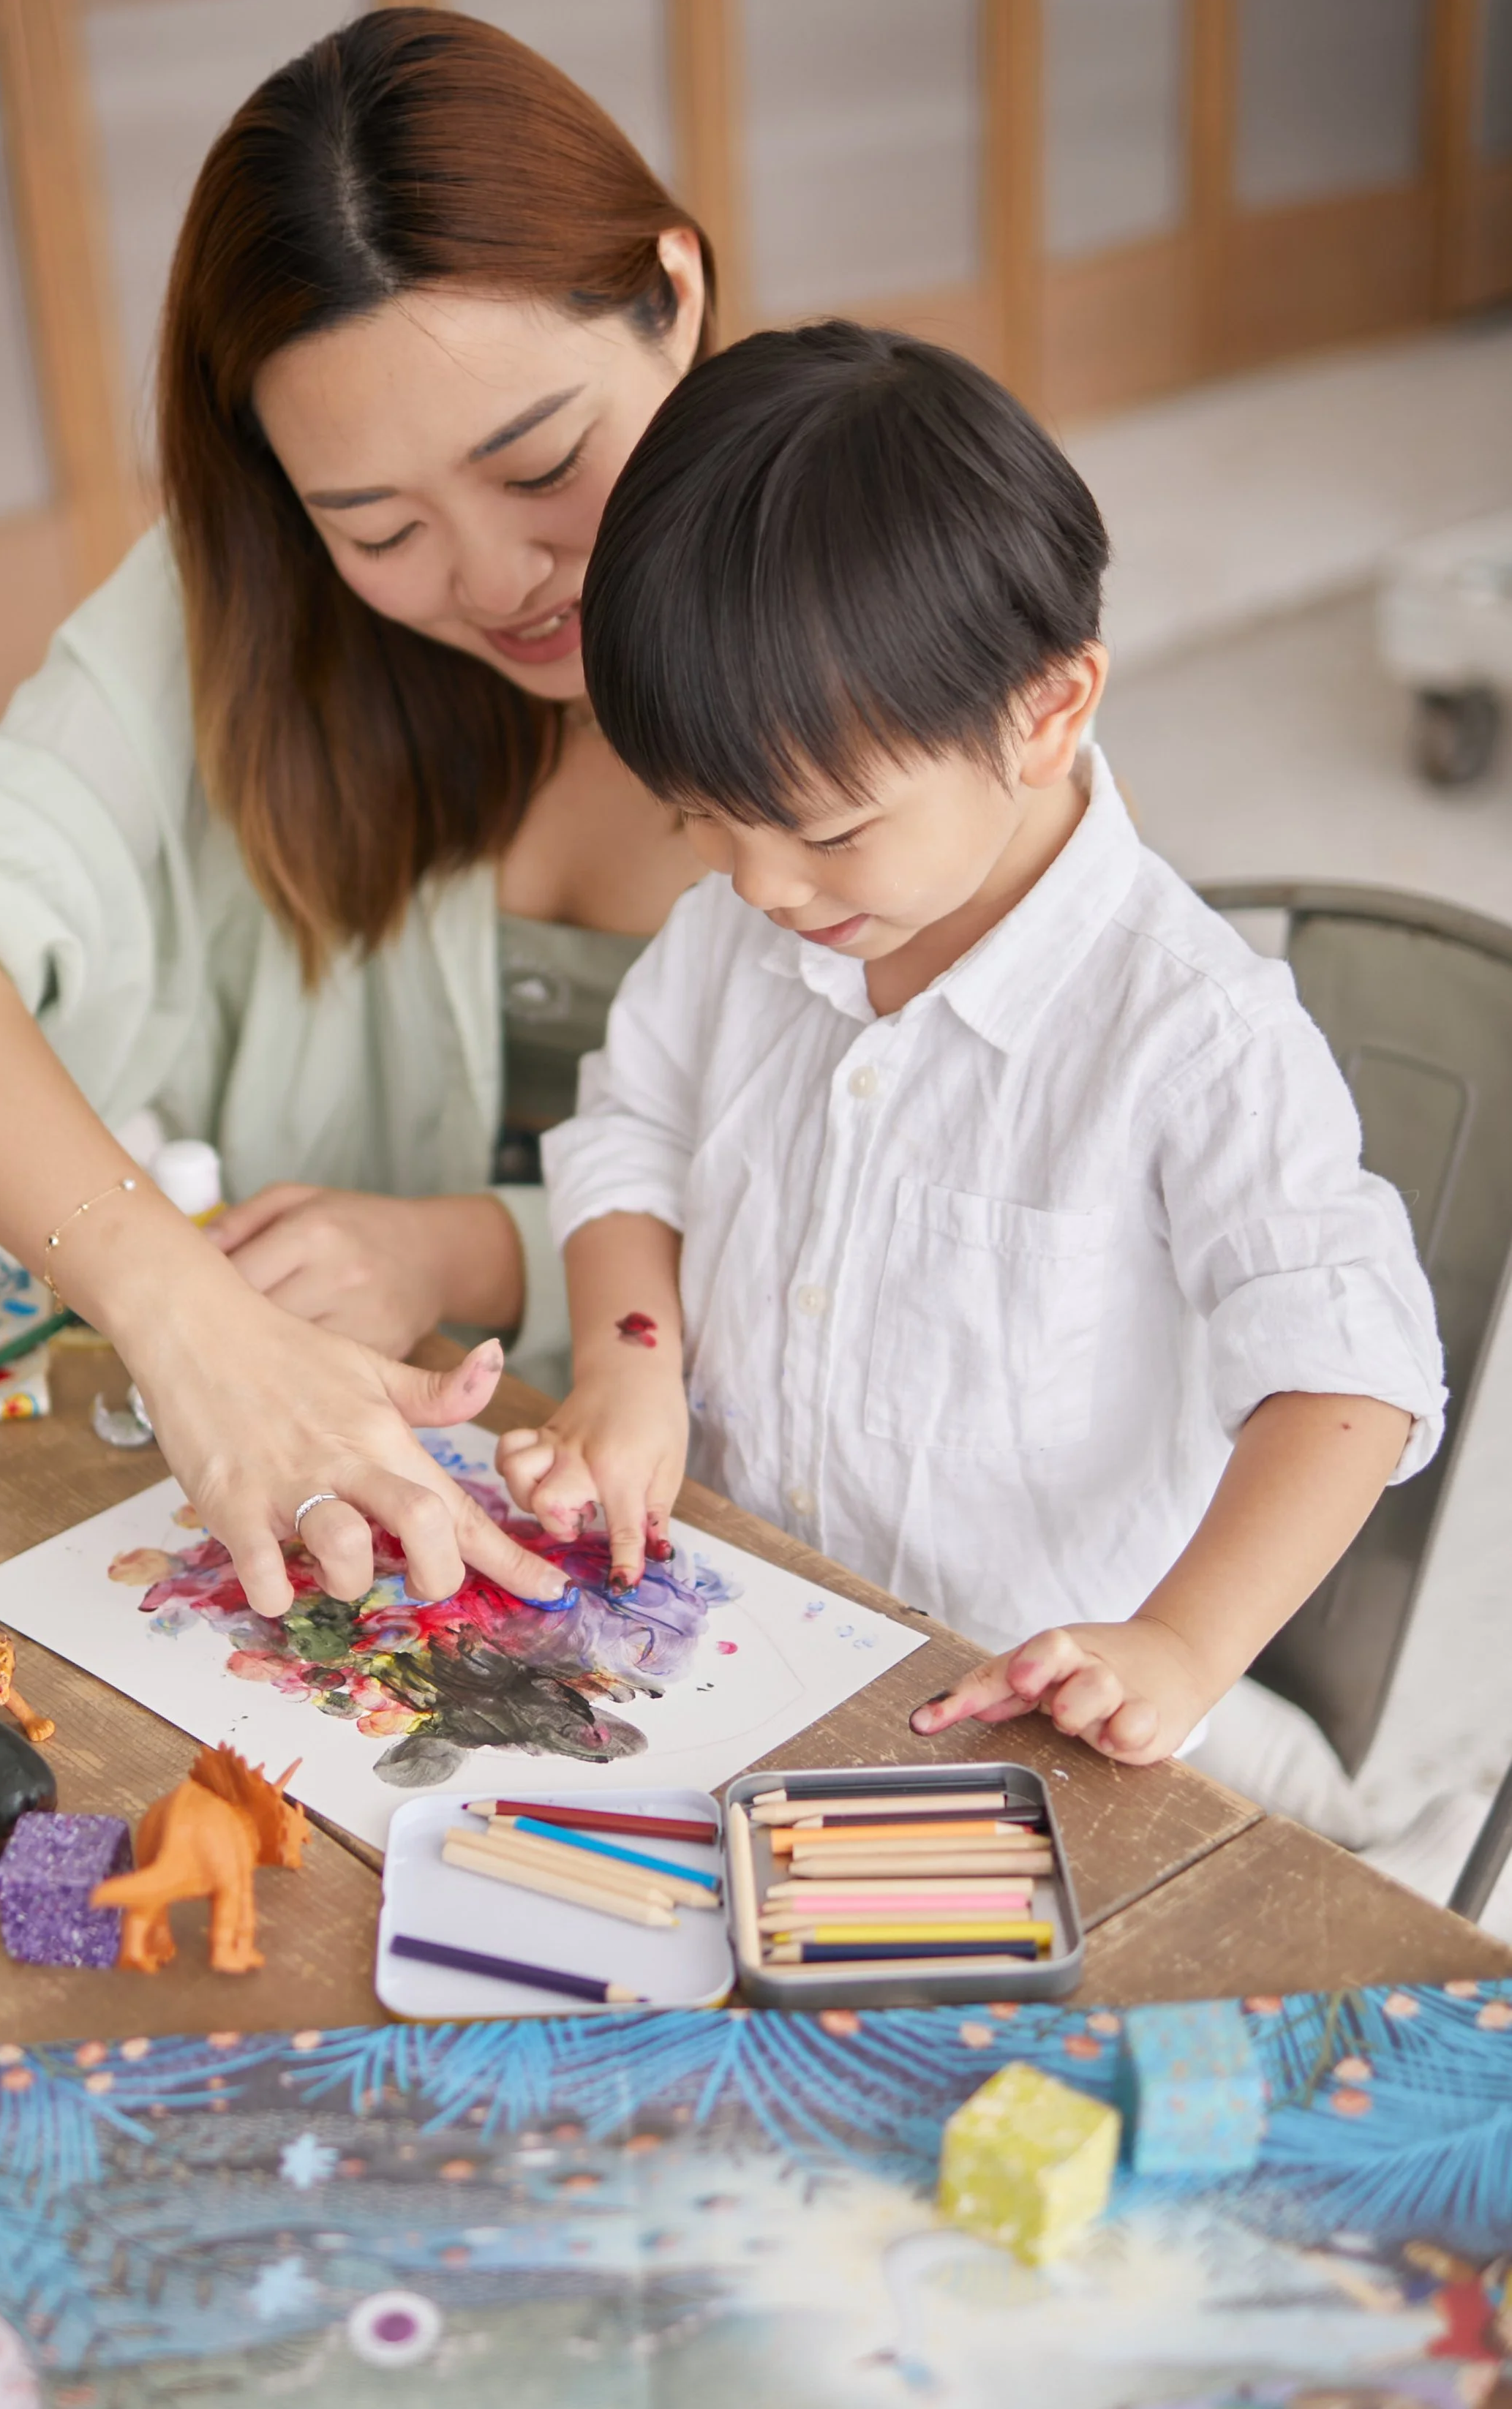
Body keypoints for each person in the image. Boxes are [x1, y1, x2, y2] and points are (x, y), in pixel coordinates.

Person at [0, 8, 712, 1619]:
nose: (494, 579)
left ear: (671, 296)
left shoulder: (877, 586)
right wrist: (184, 1317)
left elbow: (952, 1201)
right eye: (377, 523)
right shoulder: (241, 607)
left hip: (788, 1517)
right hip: (369, 1504)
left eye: (540, 462)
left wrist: (460, 1250)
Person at [498, 322, 1446, 1767]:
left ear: (1044, 712)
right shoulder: (740, 933)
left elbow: (1346, 1375)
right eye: (701, 819)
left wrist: (1179, 1646)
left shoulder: (1190, 1035)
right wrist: (630, 1360)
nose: (757, 886)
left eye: (822, 829)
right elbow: (632, 1141)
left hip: (1037, 1723)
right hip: (746, 1639)